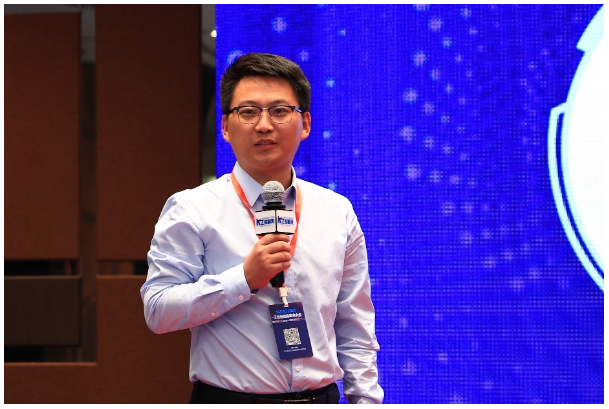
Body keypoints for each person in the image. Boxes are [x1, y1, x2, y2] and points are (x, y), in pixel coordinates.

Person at [141, 52, 383, 404]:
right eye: (248, 111)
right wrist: (243, 279)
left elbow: (354, 322)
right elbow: (158, 310)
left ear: (305, 124)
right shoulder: (192, 208)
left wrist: (366, 401)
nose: (264, 125)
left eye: (280, 111)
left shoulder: (336, 211)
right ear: (226, 127)